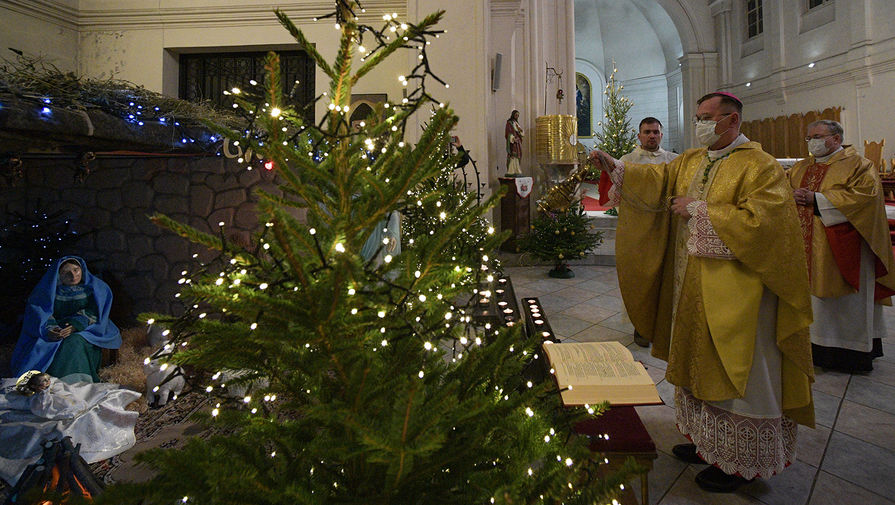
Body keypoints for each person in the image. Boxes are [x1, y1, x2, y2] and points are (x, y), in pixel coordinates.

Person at [589, 92, 814, 493]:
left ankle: (738, 461)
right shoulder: (693, 159)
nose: (700, 125)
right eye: (697, 118)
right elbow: (656, 181)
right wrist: (615, 165)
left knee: (734, 371)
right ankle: (709, 444)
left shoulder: (759, 166)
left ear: (732, 121)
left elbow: (765, 228)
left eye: (707, 118)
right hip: (691, 284)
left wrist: (699, 211)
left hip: (740, 298)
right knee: (697, 363)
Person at [788, 120, 895, 372]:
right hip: (805, 244)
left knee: (845, 303)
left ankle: (848, 354)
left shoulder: (859, 165)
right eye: (809, 137)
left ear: (836, 138)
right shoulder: (801, 167)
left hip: (844, 245)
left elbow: (865, 199)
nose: (812, 141)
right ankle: (814, 349)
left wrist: (817, 199)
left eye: (818, 136)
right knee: (812, 302)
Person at [10, 256, 121, 383]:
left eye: (76, 270)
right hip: (56, 328)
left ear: (82, 270)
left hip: (87, 328)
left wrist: (74, 326)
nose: (73, 275)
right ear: (58, 275)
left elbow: (96, 311)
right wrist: (51, 329)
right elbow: (41, 312)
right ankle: (45, 380)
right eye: (66, 272)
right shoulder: (49, 291)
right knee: (45, 345)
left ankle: (77, 382)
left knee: (73, 341)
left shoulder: (93, 289)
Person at [619, 117, 679, 347]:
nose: (652, 136)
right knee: (641, 277)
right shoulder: (626, 161)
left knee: (666, 276)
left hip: (666, 226)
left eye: (656, 132)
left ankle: (664, 326)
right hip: (638, 229)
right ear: (639, 136)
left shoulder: (673, 160)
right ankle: (641, 325)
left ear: (661, 135)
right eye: (647, 132)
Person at [505, 109, 524, 176]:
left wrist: (520, 132)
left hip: (517, 142)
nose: (517, 116)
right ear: (513, 115)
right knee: (513, 155)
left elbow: (521, 132)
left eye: (518, 115)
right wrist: (513, 138)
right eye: (516, 115)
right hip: (513, 142)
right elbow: (508, 133)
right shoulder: (509, 123)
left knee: (517, 155)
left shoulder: (517, 123)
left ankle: (517, 169)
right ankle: (511, 170)